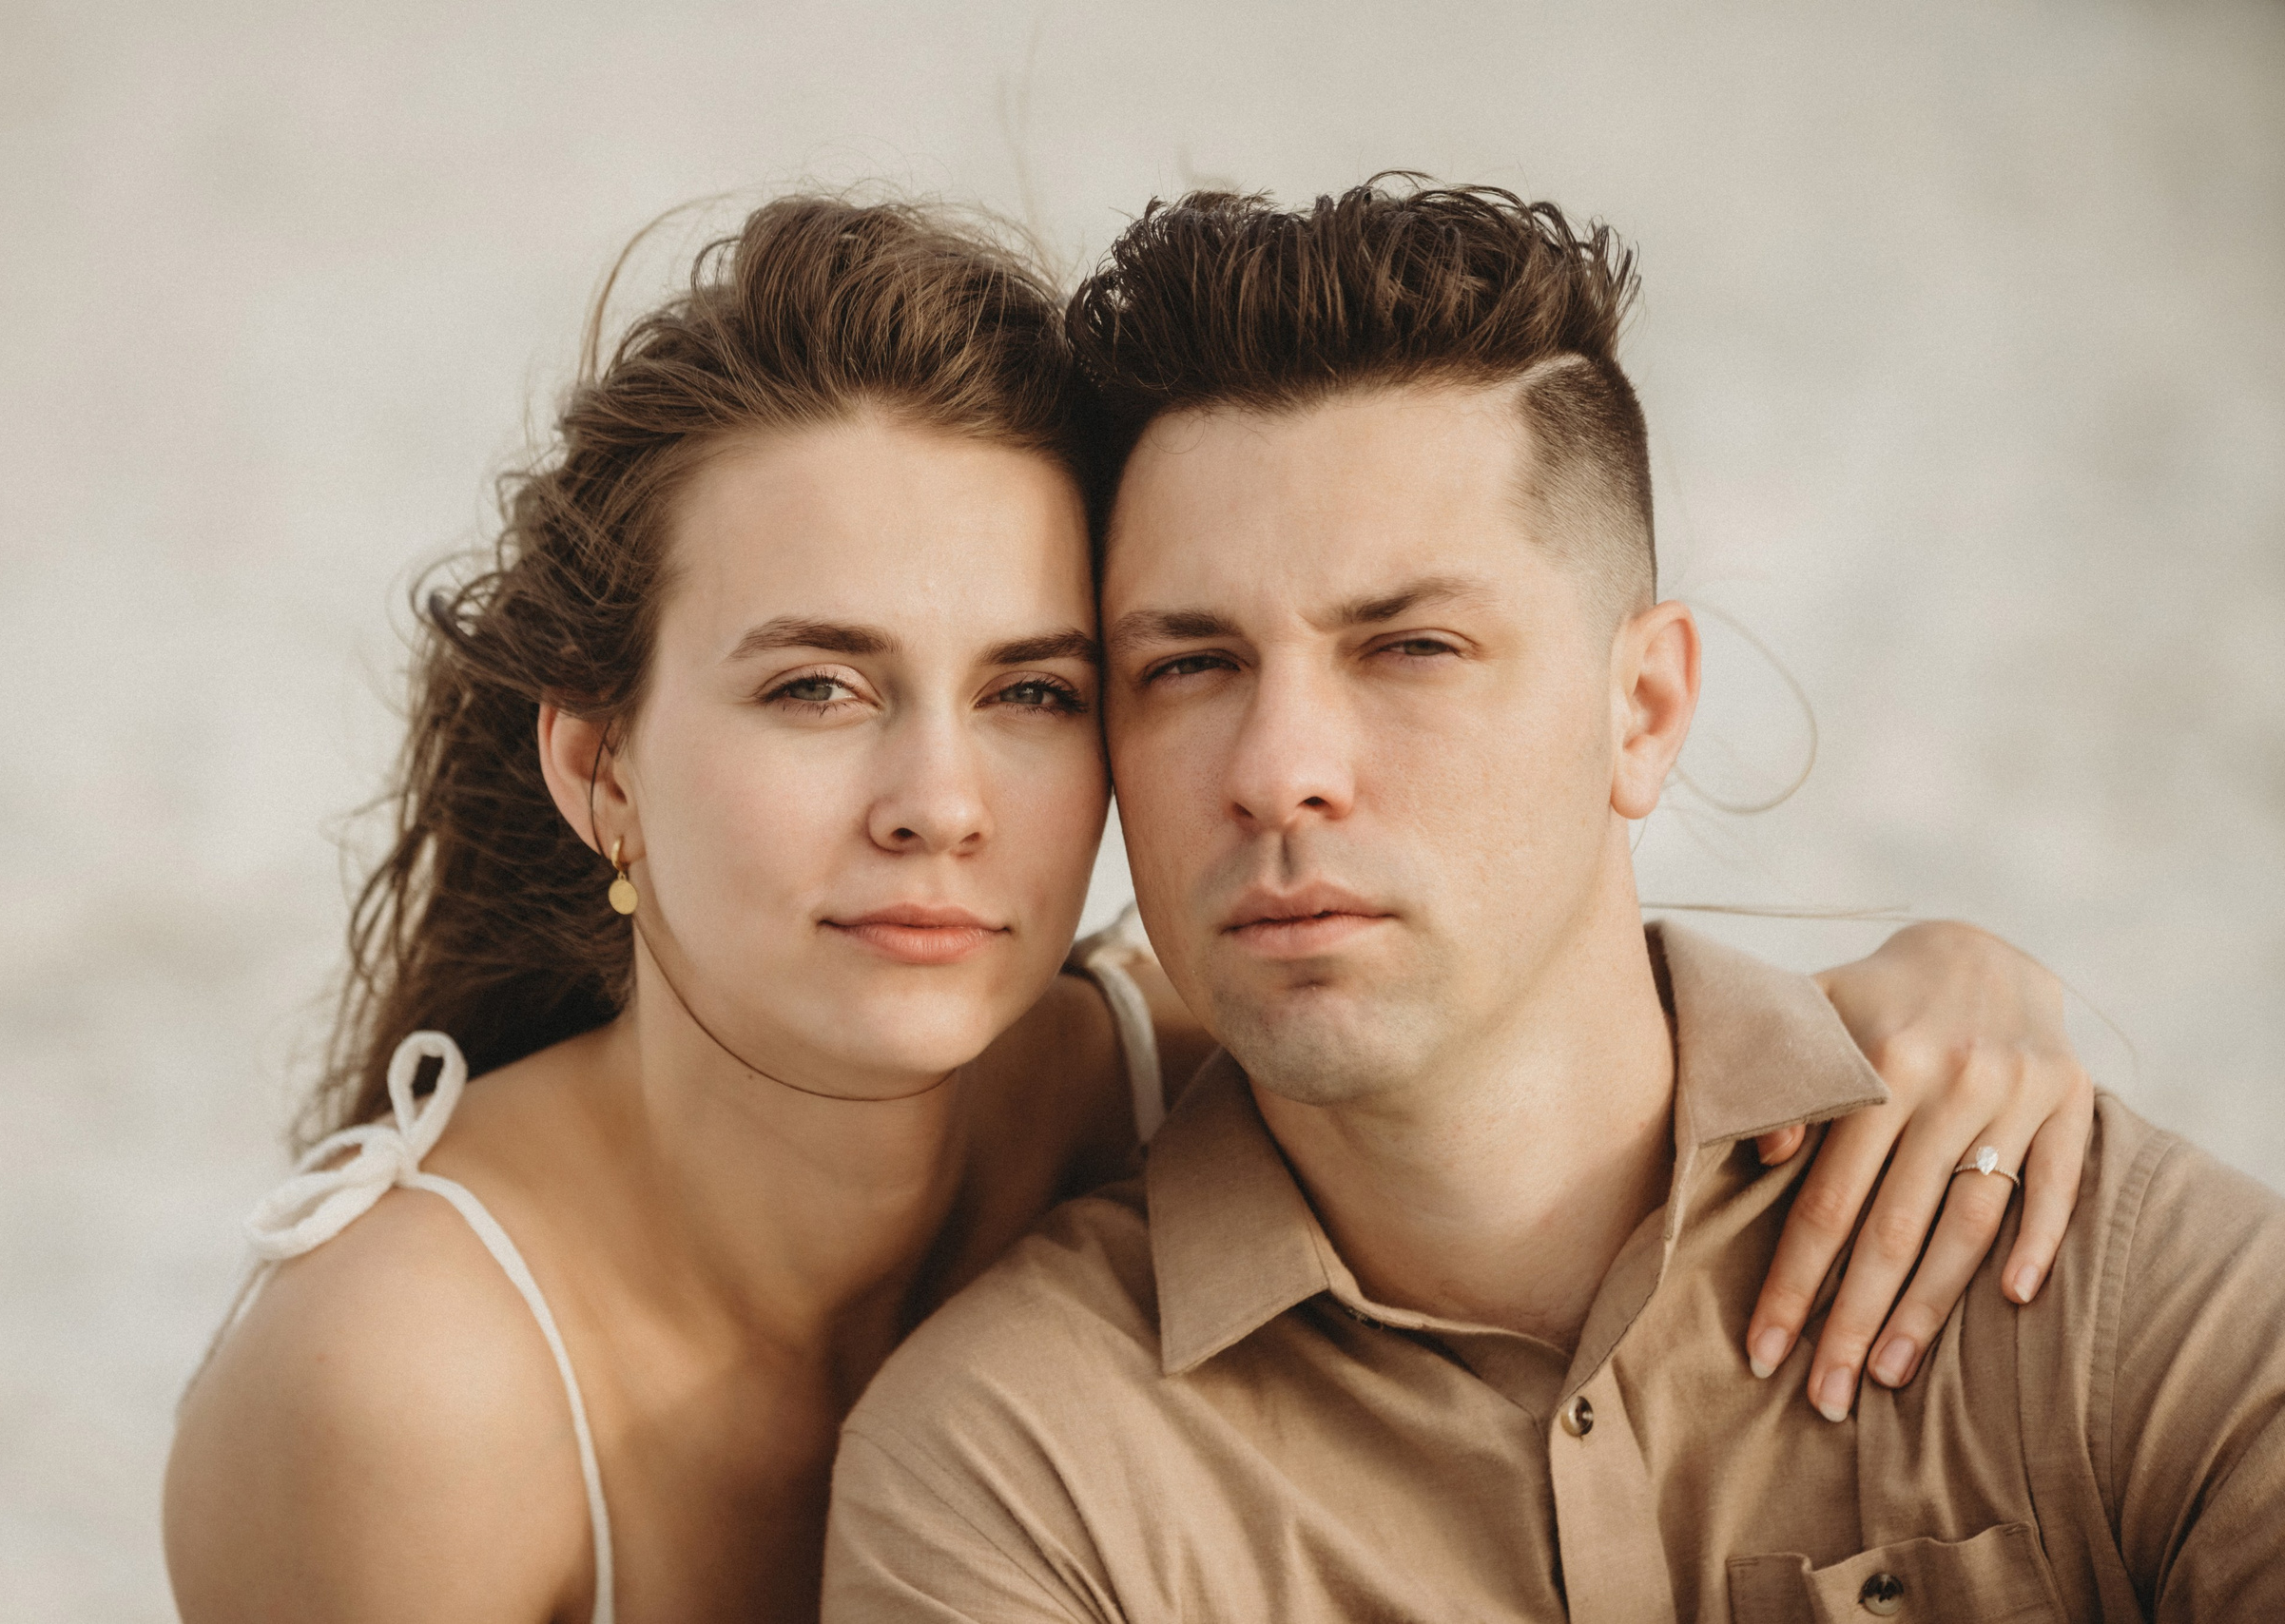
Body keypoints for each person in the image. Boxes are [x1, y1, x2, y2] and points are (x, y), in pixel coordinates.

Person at [164, 194, 2092, 1624]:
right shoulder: (406, 1389)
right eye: (813, 685)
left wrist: (1940, 984)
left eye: (1030, 689)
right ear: (596, 766)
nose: (936, 804)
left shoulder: (1139, 1070)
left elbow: (1526, 1014)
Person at [820, 179, 2285, 1622]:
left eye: (1410, 648)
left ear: (1642, 709)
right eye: (1189, 666)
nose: (1278, 774)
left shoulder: (2094, 1278)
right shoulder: (1019, 1473)